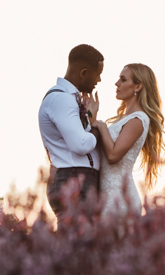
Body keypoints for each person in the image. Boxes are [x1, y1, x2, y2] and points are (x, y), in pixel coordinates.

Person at [88, 63, 165, 219]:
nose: (117, 84)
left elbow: (113, 156)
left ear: (138, 87)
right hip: (108, 195)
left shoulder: (139, 119)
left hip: (120, 199)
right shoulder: (124, 119)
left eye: (123, 80)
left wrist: (102, 126)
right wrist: (92, 117)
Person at [38, 44, 104, 220]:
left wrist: (90, 118)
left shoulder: (68, 98)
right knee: (78, 244)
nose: (99, 80)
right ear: (83, 73)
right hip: (73, 179)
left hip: (77, 178)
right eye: (97, 74)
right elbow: (80, 144)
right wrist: (97, 129)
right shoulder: (61, 99)